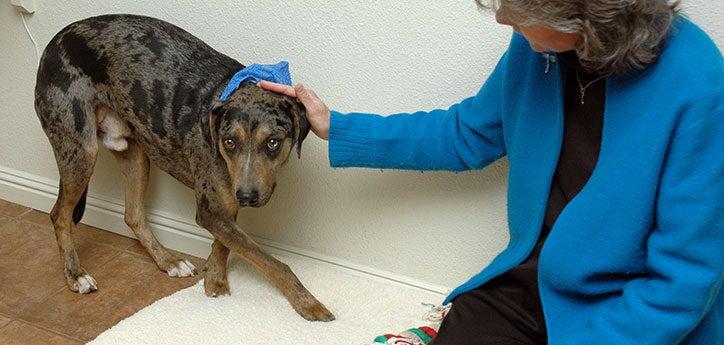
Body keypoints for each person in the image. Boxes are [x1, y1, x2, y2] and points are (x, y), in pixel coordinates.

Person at [260, 1, 723, 344]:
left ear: (583, 12)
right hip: (530, 289)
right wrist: (336, 126)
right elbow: (466, 133)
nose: (503, 18)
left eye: (517, 7)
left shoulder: (700, 86)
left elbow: (680, 285)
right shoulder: (537, 49)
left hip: (630, 315)